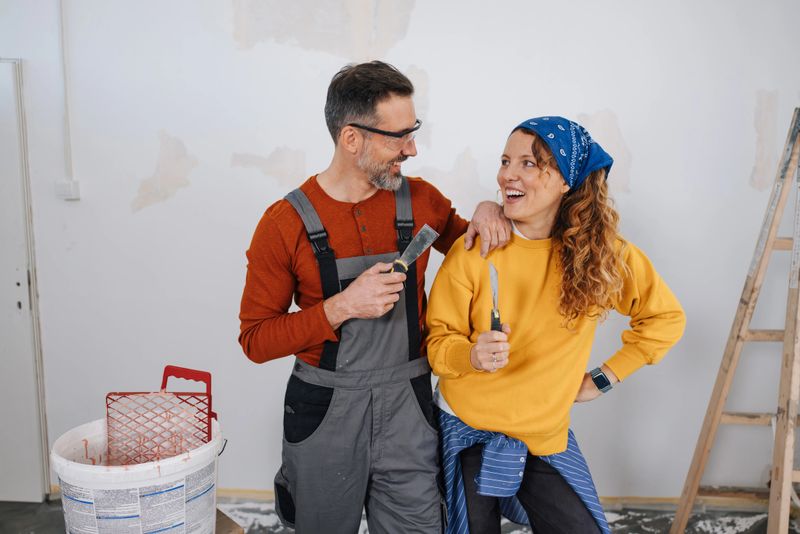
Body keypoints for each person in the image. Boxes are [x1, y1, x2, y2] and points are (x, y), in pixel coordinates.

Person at [238, 61, 510, 534]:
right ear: (351, 139)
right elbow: (256, 341)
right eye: (398, 137)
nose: (412, 148)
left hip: (409, 403)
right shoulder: (284, 224)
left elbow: (482, 249)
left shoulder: (423, 201)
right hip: (325, 411)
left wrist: (490, 207)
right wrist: (341, 306)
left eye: (414, 131)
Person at [426, 116, 686, 534]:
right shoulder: (476, 249)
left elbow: (665, 318)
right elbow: (437, 343)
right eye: (506, 160)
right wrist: (470, 354)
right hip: (467, 427)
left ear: (566, 181)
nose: (508, 174)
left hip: (542, 438)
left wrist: (603, 378)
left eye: (529, 164)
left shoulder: (602, 256)